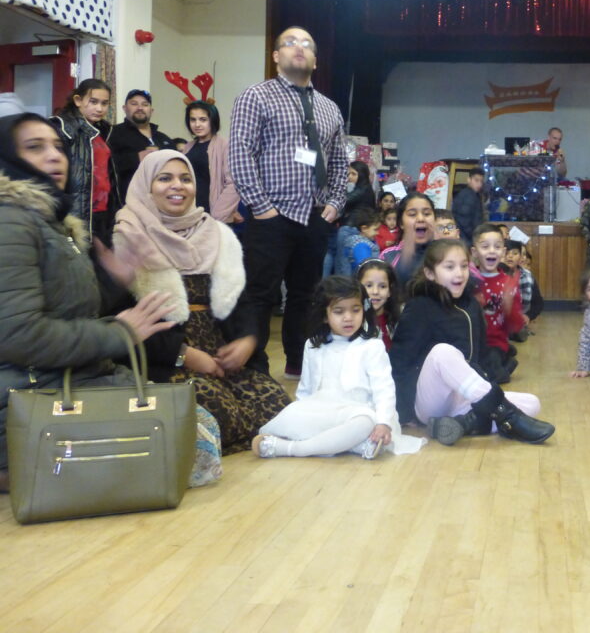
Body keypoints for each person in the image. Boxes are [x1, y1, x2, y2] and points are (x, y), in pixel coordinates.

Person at [0, 103, 175, 491]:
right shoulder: (9, 222)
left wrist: (117, 280)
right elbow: (19, 336)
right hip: (30, 401)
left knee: (189, 424)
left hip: (67, 380)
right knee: (187, 441)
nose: (53, 155)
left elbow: (68, 309)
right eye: (34, 147)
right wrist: (119, 333)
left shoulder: (50, 222)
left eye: (57, 146)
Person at [113, 150, 293, 453]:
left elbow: (242, 301)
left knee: (277, 404)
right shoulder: (128, 236)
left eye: (186, 179)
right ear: (146, 185)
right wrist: (185, 355)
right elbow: (121, 321)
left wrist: (247, 341)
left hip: (221, 360)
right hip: (166, 361)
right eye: (164, 178)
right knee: (218, 412)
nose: (177, 186)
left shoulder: (216, 234)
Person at [229, 27, 348, 378]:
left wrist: (335, 205)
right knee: (259, 294)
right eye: (290, 43)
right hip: (271, 216)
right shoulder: (256, 97)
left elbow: (341, 162)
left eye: (308, 44)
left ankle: (300, 363)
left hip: (315, 217)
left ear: (316, 60)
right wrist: (261, 206)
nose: (300, 48)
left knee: (307, 296)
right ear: (276, 56)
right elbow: (240, 152)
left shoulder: (329, 108)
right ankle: (254, 369)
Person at [388, 239, 555, 445]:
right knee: (443, 352)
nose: (459, 273)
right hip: (428, 400)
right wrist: (403, 413)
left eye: (464, 266)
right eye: (449, 267)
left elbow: (481, 355)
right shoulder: (420, 306)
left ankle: (461, 424)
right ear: (430, 273)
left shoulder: (471, 305)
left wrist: (490, 379)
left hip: (462, 396)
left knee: (532, 403)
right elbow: (400, 360)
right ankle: (506, 415)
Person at [252, 276, 424, 459]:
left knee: (365, 423)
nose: (348, 318)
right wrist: (300, 415)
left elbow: (384, 390)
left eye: (355, 310)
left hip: (359, 412)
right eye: (339, 311)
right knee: (290, 417)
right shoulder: (312, 345)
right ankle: (351, 445)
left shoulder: (372, 346)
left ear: (363, 310)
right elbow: (306, 390)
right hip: (323, 412)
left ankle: (293, 449)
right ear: (325, 315)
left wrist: (383, 423)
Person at [49, 78, 116, 241]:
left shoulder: (104, 130)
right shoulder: (62, 128)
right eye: (93, 102)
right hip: (75, 212)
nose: (99, 108)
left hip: (101, 211)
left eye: (104, 103)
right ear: (78, 100)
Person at [470, 223, 525, 383]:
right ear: (474, 252)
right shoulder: (468, 280)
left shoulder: (508, 284)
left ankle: (506, 362)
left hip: (495, 343)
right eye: (485, 246)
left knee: (492, 378)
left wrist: (509, 307)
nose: (492, 250)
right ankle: (506, 358)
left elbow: (516, 325)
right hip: (473, 343)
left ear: (503, 252)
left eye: (497, 246)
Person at [107, 89, 175, 206]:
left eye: (145, 104)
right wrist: (136, 158)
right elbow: (105, 166)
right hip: (128, 205)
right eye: (134, 104)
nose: (140, 108)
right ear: (124, 108)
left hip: (163, 205)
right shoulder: (113, 134)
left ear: (151, 110)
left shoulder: (164, 139)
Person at [182, 100, 241, 224]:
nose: (197, 124)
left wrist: (217, 216)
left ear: (212, 120)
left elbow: (234, 183)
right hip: (190, 214)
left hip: (214, 216)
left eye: (203, 119)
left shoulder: (225, 145)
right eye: (193, 120)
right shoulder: (188, 147)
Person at [380, 192, 436, 285]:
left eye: (427, 213)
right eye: (412, 214)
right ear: (401, 223)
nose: (421, 218)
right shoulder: (388, 257)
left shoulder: (448, 253)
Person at [357, 259, 401, 350]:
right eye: (369, 285)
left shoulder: (399, 320)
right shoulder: (354, 322)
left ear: (390, 290)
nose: (375, 292)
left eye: (382, 286)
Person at [325, 206, 380, 277]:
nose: (378, 233)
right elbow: (365, 268)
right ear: (364, 228)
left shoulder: (355, 240)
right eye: (375, 229)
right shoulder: (361, 245)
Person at [452, 166, 485, 243]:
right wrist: (476, 236)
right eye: (476, 180)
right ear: (469, 180)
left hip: (466, 238)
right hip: (466, 240)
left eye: (481, 181)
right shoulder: (468, 196)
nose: (479, 184)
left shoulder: (472, 194)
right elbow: (464, 222)